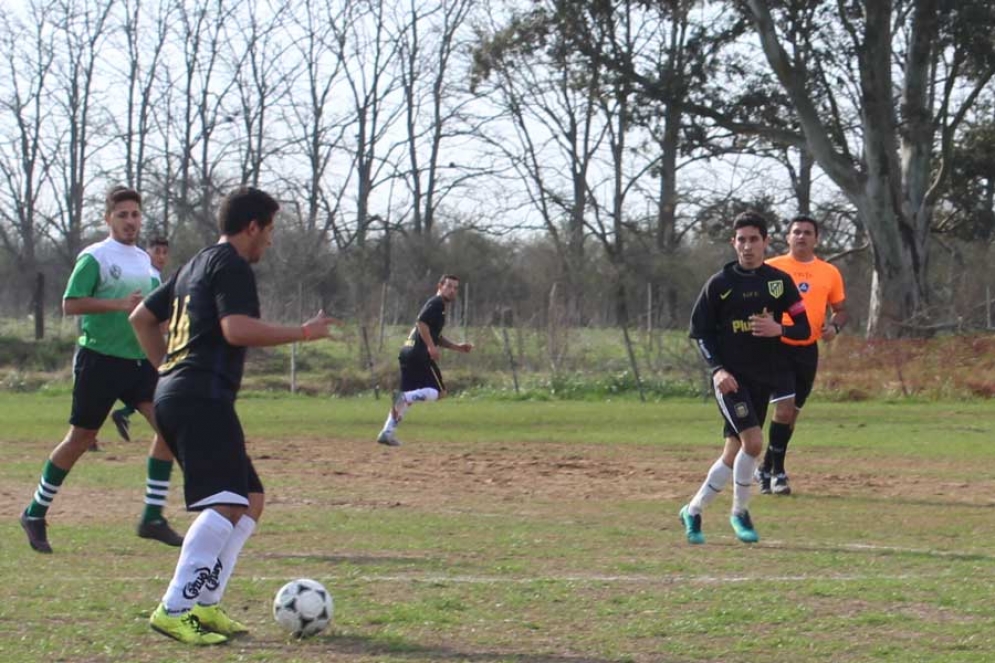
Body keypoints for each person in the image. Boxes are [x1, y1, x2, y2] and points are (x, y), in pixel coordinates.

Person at [130, 186, 337, 645]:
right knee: (225, 502)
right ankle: (174, 608)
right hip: (200, 396)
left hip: (183, 395)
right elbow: (235, 329)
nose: (271, 240)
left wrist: (167, 367)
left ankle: (204, 604)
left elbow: (141, 318)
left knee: (249, 498)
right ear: (252, 227)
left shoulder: (194, 264)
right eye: (270, 230)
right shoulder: (232, 266)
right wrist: (304, 332)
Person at [19, 186, 184, 554]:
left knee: (170, 428)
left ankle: (152, 517)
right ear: (108, 218)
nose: (130, 221)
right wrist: (119, 305)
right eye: (122, 215)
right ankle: (34, 512)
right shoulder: (94, 257)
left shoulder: (146, 263)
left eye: (135, 215)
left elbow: (153, 318)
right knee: (79, 440)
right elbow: (70, 304)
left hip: (140, 362)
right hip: (100, 361)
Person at [679, 211, 811, 545]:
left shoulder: (779, 282)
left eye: (754, 239)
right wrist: (718, 370)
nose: (748, 246)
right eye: (741, 240)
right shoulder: (720, 284)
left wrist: (778, 328)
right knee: (753, 443)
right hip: (731, 380)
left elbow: (805, 327)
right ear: (733, 243)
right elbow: (701, 334)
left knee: (732, 452)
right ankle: (739, 512)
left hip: (763, 378)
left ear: (766, 242)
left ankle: (692, 511)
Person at [757, 215, 847, 495]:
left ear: (816, 239)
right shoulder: (771, 267)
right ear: (787, 237)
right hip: (777, 347)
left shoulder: (829, 272)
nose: (801, 236)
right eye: (796, 232)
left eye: (808, 232)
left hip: (808, 349)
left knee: (792, 415)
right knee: (783, 409)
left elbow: (841, 310)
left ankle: (766, 468)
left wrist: (834, 327)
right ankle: (779, 474)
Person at [376, 274, 473, 447]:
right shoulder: (436, 303)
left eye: (455, 288)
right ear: (440, 286)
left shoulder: (439, 307)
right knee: (439, 392)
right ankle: (405, 397)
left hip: (407, 352)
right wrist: (430, 347)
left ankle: (387, 432)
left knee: (404, 400)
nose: (452, 291)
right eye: (449, 286)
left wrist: (457, 347)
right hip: (419, 354)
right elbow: (421, 322)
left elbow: (435, 335)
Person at [112, 236, 170, 443]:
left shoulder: (153, 277)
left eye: (165, 253)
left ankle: (124, 413)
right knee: (156, 396)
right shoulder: (149, 278)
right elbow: (151, 319)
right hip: (139, 349)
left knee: (149, 395)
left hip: (135, 349)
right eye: (157, 252)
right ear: (145, 253)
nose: (161, 257)